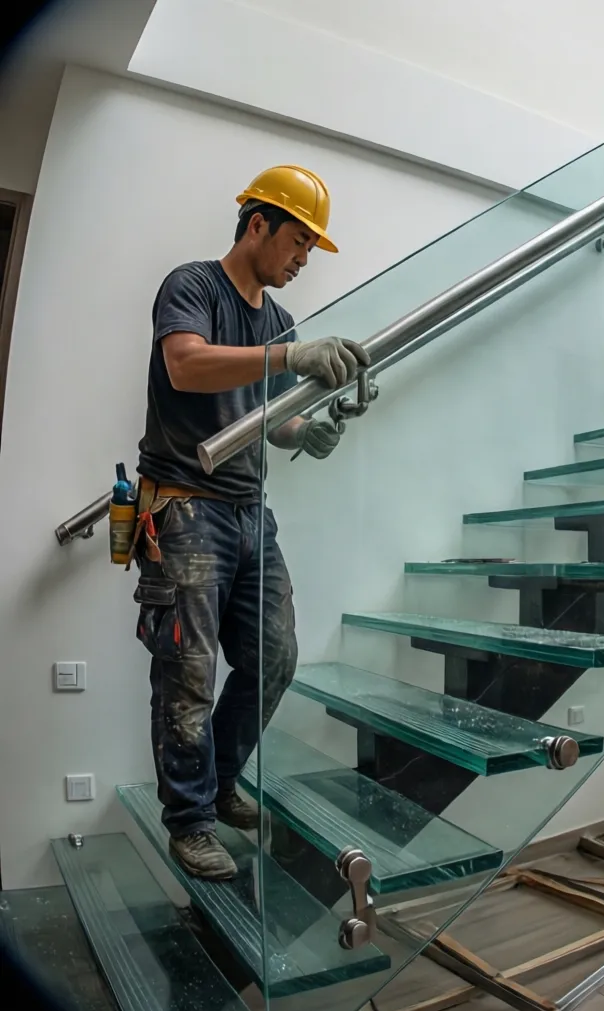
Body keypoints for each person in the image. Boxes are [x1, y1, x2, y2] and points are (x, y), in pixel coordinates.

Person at [134, 165, 369, 880]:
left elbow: (273, 421)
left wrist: (310, 431)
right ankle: (190, 821)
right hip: (182, 506)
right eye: (299, 241)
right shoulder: (193, 287)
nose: (302, 259)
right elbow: (187, 366)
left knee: (275, 656)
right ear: (258, 224)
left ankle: (221, 782)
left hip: (247, 512)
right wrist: (289, 355)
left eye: (309, 249)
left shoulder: (279, 321)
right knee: (189, 672)